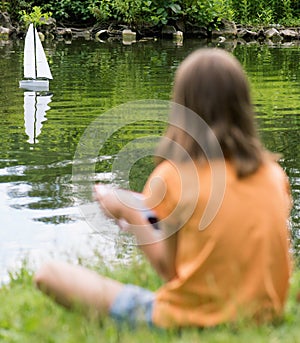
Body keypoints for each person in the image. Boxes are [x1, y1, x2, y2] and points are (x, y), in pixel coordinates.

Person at [34, 48, 292, 329]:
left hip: (188, 319)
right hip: (263, 316)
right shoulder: (273, 175)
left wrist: (128, 211)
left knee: (49, 274)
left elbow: (169, 270)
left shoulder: (174, 176)